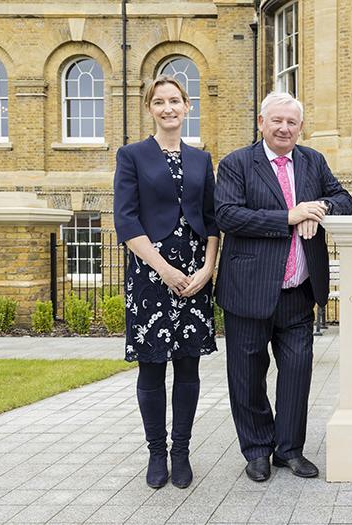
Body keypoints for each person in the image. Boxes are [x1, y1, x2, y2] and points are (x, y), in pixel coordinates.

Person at [214, 92, 352, 482]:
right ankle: (257, 449)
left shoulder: (312, 161)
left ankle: (289, 449)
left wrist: (319, 210)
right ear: (261, 122)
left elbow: (344, 197)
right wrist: (289, 216)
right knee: (247, 375)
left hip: (298, 292)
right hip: (248, 291)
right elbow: (227, 214)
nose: (284, 128)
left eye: (292, 122)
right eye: (276, 121)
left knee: (297, 373)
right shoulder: (237, 164)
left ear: (300, 127)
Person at [113, 75, 219, 489]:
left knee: (188, 368)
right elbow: (126, 219)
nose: (168, 108)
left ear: (187, 106)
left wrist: (207, 268)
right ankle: (157, 453)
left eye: (175, 100)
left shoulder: (200, 159)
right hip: (151, 275)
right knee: (152, 368)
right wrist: (164, 268)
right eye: (160, 102)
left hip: (194, 274)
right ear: (150, 108)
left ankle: (181, 450)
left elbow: (212, 220)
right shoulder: (132, 155)